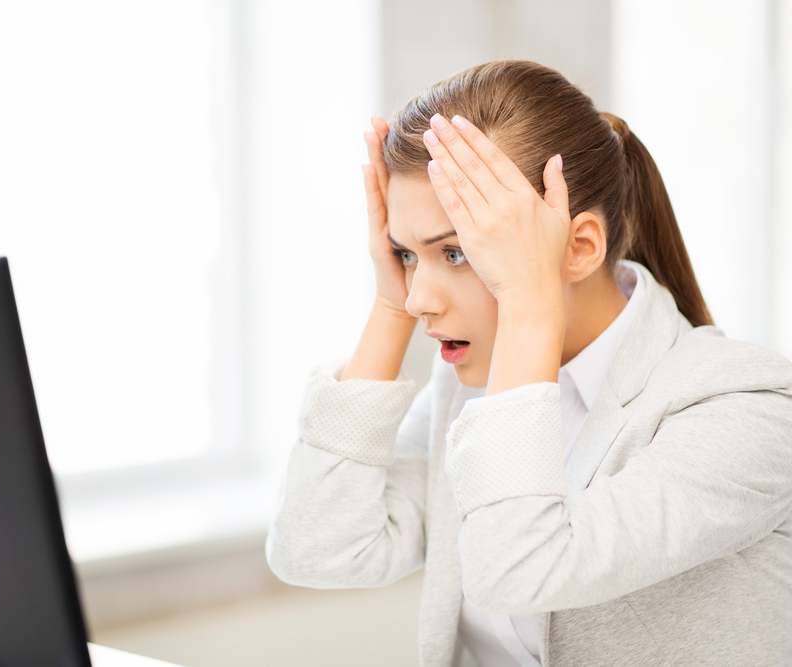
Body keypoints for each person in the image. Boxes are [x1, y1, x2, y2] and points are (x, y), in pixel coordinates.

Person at [265, 60, 792, 667]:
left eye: (456, 252)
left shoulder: (747, 407)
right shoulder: (469, 390)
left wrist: (528, 302)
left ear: (580, 247)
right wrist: (387, 306)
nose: (418, 300)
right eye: (406, 254)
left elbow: (516, 569)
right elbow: (319, 548)